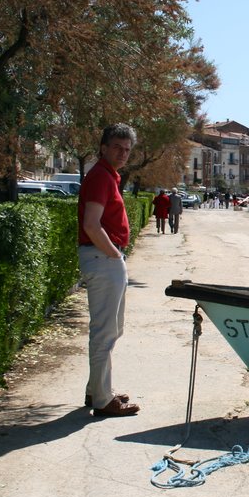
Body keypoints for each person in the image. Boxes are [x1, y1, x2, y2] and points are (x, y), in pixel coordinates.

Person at [78, 123, 141, 417]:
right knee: (104, 332)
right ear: (103, 148)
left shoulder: (106, 176)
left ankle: (98, 391)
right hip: (104, 259)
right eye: (117, 147)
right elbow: (92, 224)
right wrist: (115, 255)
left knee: (111, 329)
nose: (123, 153)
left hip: (105, 259)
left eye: (127, 149)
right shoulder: (101, 177)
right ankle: (103, 401)